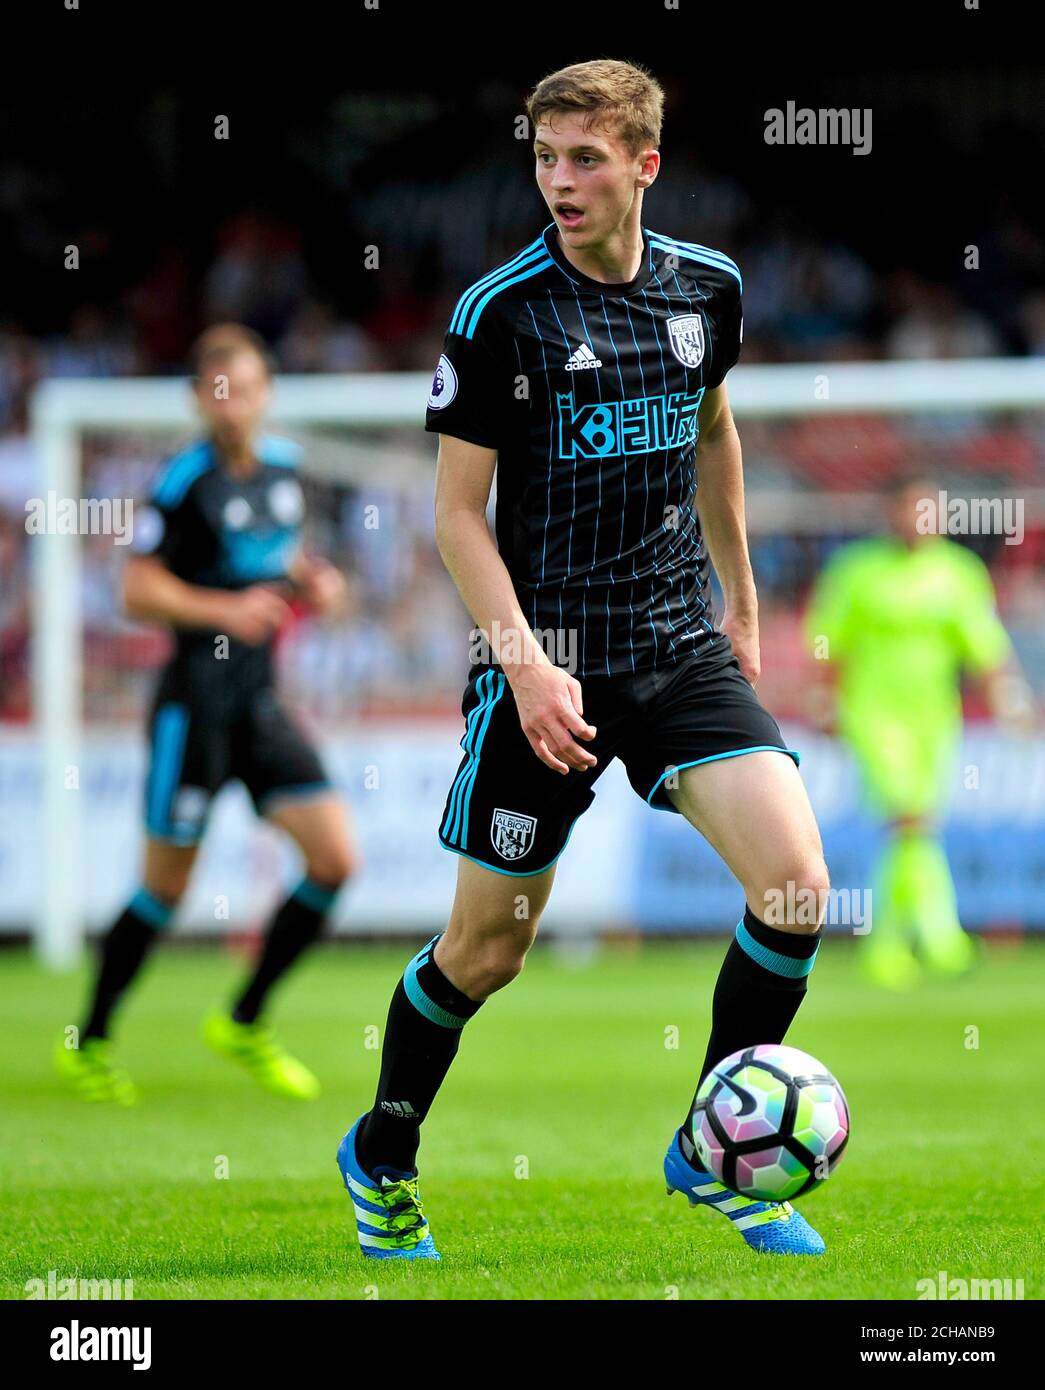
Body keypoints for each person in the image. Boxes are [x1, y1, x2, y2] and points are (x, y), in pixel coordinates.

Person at [336, 58, 830, 1260]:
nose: (558, 180)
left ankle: (714, 1150)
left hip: (670, 640)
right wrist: (525, 666)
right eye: (545, 157)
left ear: (644, 166)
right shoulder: (499, 312)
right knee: (486, 950)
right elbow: (458, 515)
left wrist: (742, 597)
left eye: (585, 158)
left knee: (796, 887)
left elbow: (714, 428)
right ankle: (382, 1152)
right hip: (542, 657)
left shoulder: (707, 289)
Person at [56, 325, 359, 1103]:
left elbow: (284, 562)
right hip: (193, 711)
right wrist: (224, 609)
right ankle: (89, 1042)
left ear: (266, 393)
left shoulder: (285, 473)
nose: (236, 404)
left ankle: (245, 1018)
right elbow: (135, 589)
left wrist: (315, 584)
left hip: (260, 706)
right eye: (220, 390)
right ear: (200, 398)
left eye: (249, 387)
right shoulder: (182, 483)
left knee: (333, 861)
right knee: (164, 889)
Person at [805, 473, 1035, 989]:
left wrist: (1009, 697)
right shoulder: (857, 572)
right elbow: (830, 641)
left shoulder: (958, 573)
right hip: (873, 715)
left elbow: (985, 647)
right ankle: (940, 939)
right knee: (910, 820)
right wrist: (821, 698)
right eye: (909, 510)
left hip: (934, 718)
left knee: (914, 829)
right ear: (892, 514)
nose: (918, 521)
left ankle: (889, 946)